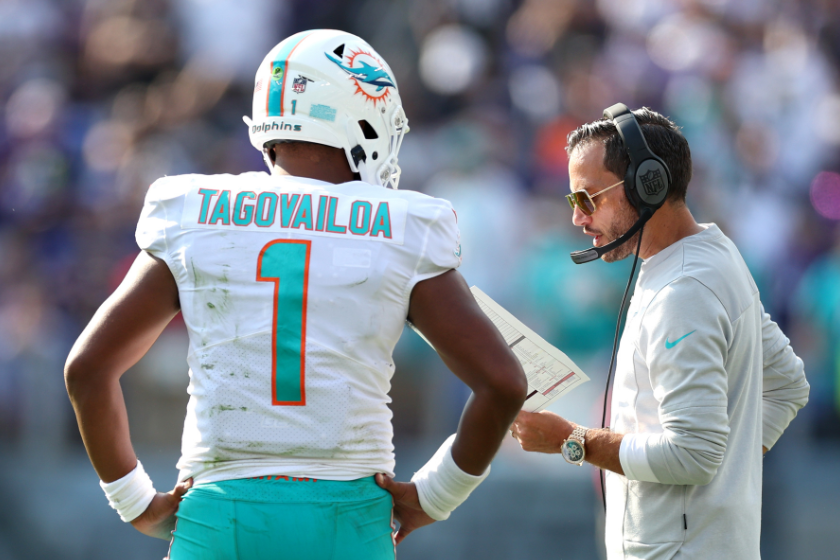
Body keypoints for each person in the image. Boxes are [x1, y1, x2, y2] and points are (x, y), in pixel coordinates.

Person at [64, 29, 527, 560]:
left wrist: (136, 503)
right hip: (348, 517)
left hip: (218, 516)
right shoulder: (403, 226)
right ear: (356, 113)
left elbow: (87, 368)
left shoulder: (194, 211)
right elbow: (503, 383)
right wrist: (434, 496)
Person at [510, 106, 809, 559]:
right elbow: (788, 385)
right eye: (573, 201)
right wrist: (729, 475)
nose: (578, 218)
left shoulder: (684, 290)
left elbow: (693, 453)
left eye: (588, 199)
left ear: (648, 185)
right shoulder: (712, 256)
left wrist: (571, 441)